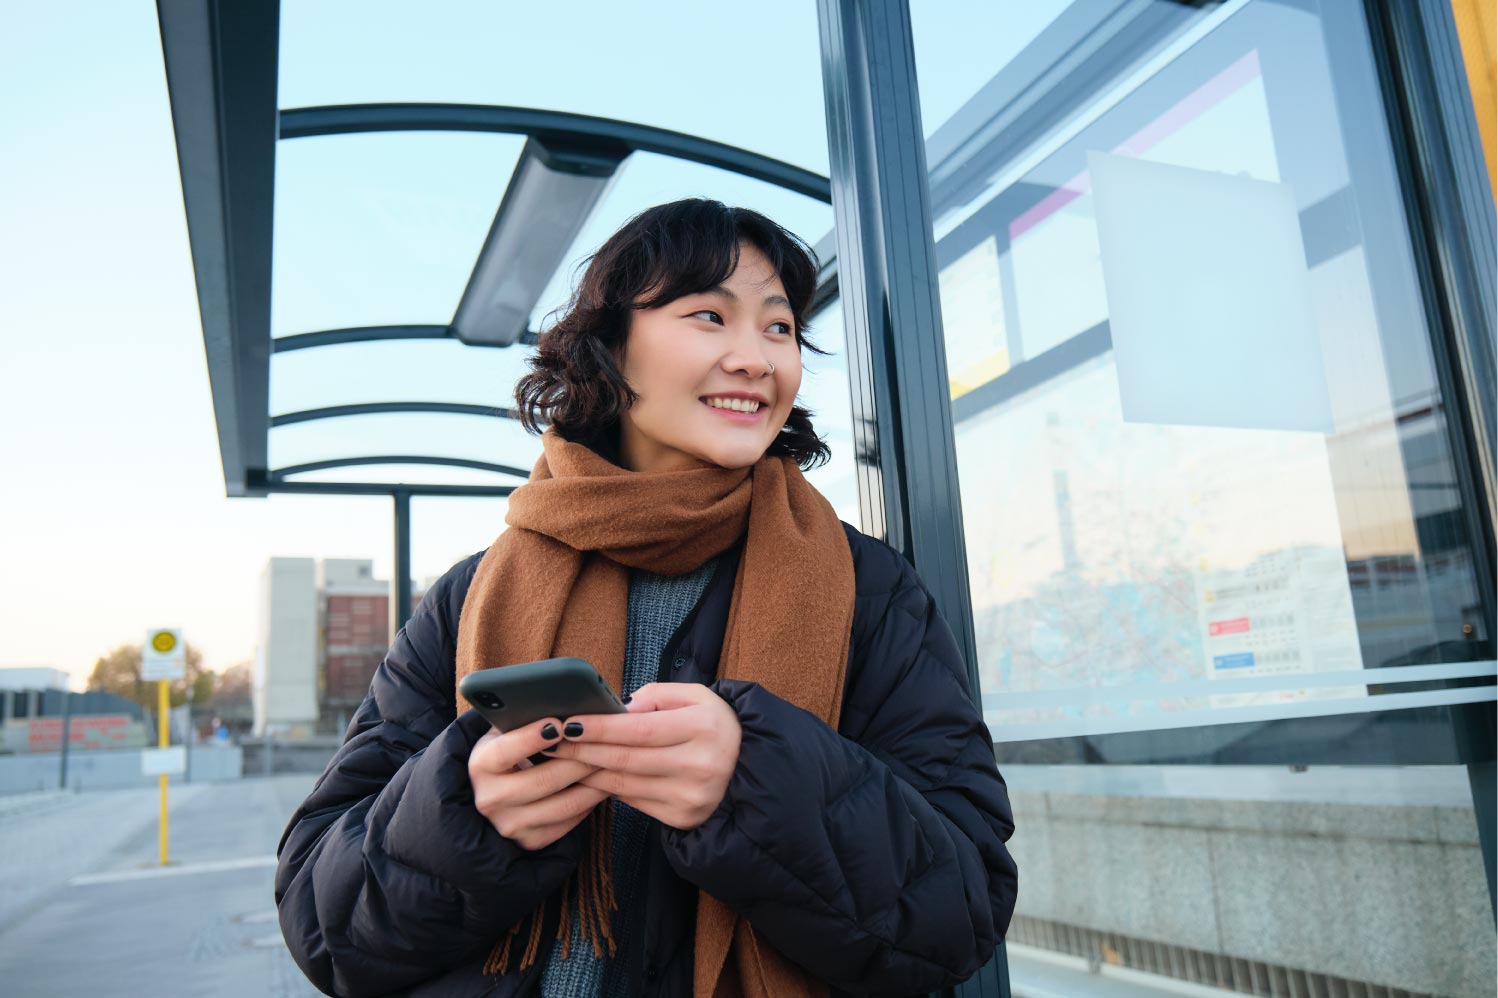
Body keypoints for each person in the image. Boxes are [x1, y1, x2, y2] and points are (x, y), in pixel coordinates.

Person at [275, 199, 1018, 997]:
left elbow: (962, 911)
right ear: (610, 345)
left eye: (780, 328)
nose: (757, 360)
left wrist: (754, 783)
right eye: (710, 316)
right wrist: (465, 812)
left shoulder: (870, 589)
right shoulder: (470, 594)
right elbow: (324, 925)